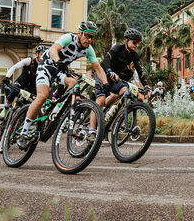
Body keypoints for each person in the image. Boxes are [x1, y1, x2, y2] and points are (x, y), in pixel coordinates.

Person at [17, 21, 109, 149]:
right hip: (47, 66)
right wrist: (58, 60)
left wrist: (105, 84)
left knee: (73, 82)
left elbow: (98, 68)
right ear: (79, 33)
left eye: (92, 37)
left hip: (60, 70)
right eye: (87, 36)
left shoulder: (88, 49)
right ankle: (23, 133)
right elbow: (54, 49)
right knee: (42, 96)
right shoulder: (68, 38)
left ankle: (58, 106)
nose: (89, 39)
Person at [89, 28, 149, 135]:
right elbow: (107, 59)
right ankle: (92, 129)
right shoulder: (117, 48)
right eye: (134, 42)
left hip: (115, 78)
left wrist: (146, 86)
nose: (136, 45)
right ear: (126, 41)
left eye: (138, 43)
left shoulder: (134, 55)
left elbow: (140, 70)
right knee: (101, 99)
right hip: (103, 74)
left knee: (125, 91)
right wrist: (109, 71)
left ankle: (115, 121)